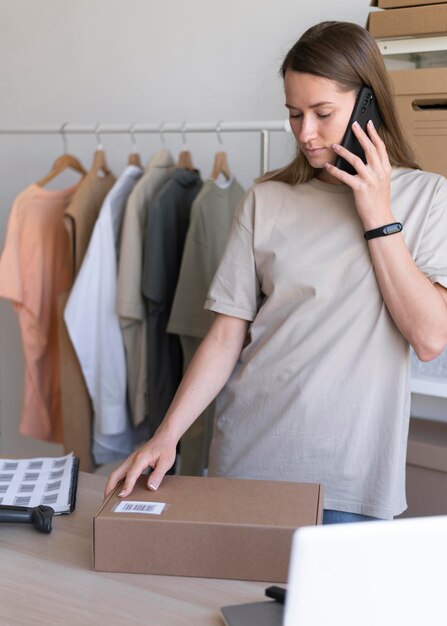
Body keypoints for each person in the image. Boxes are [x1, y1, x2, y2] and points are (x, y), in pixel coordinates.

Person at [105, 21, 447, 524]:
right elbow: (226, 336)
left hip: (351, 482)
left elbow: (430, 337)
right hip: (246, 461)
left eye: (323, 113)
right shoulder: (265, 199)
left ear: (367, 104)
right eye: (294, 114)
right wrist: (167, 435)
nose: (305, 133)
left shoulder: (428, 197)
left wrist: (377, 213)